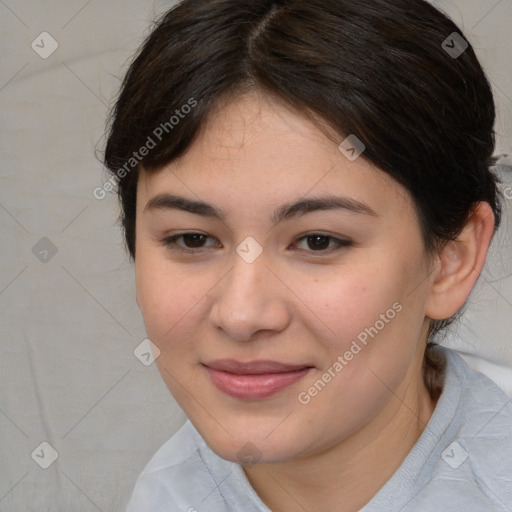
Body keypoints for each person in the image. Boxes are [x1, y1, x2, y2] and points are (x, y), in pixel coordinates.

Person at [103, 0, 512, 510]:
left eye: (318, 241)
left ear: (452, 259)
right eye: (193, 239)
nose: (241, 315)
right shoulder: (165, 496)